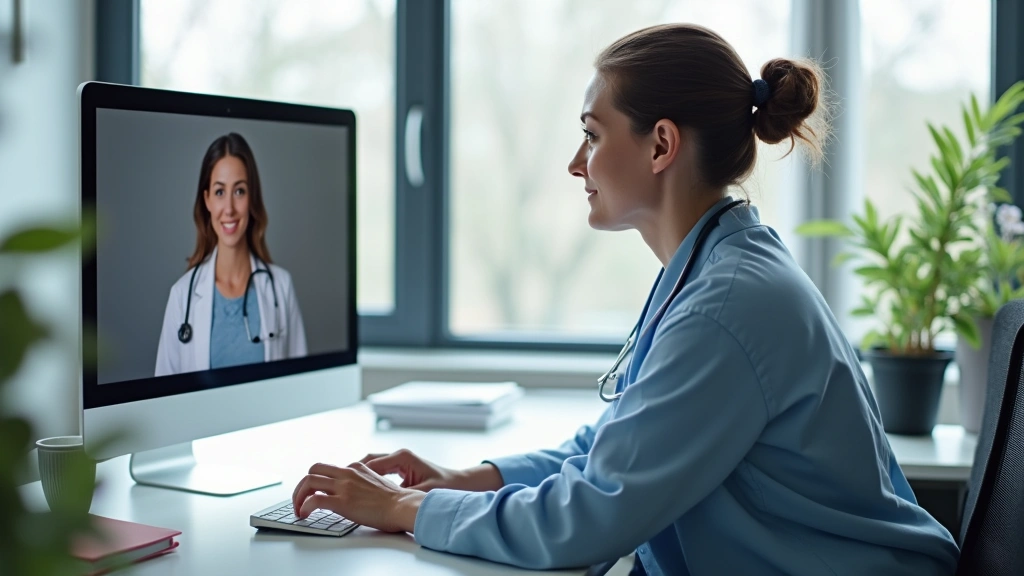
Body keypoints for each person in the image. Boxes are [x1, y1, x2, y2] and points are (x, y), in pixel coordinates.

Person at [289, 24, 959, 575]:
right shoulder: (716, 268)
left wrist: (403, 509)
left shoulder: (725, 307)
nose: (576, 163)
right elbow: (616, 448)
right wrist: (471, 478)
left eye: (592, 134)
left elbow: (587, 520)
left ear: (661, 144)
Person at [156, 133, 306, 376]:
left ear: (252, 197)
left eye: (239, 191)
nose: (229, 209)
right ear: (207, 200)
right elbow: (165, 392)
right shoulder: (182, 296)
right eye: (219, 192)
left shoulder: (281, 286)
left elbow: (301, 386)